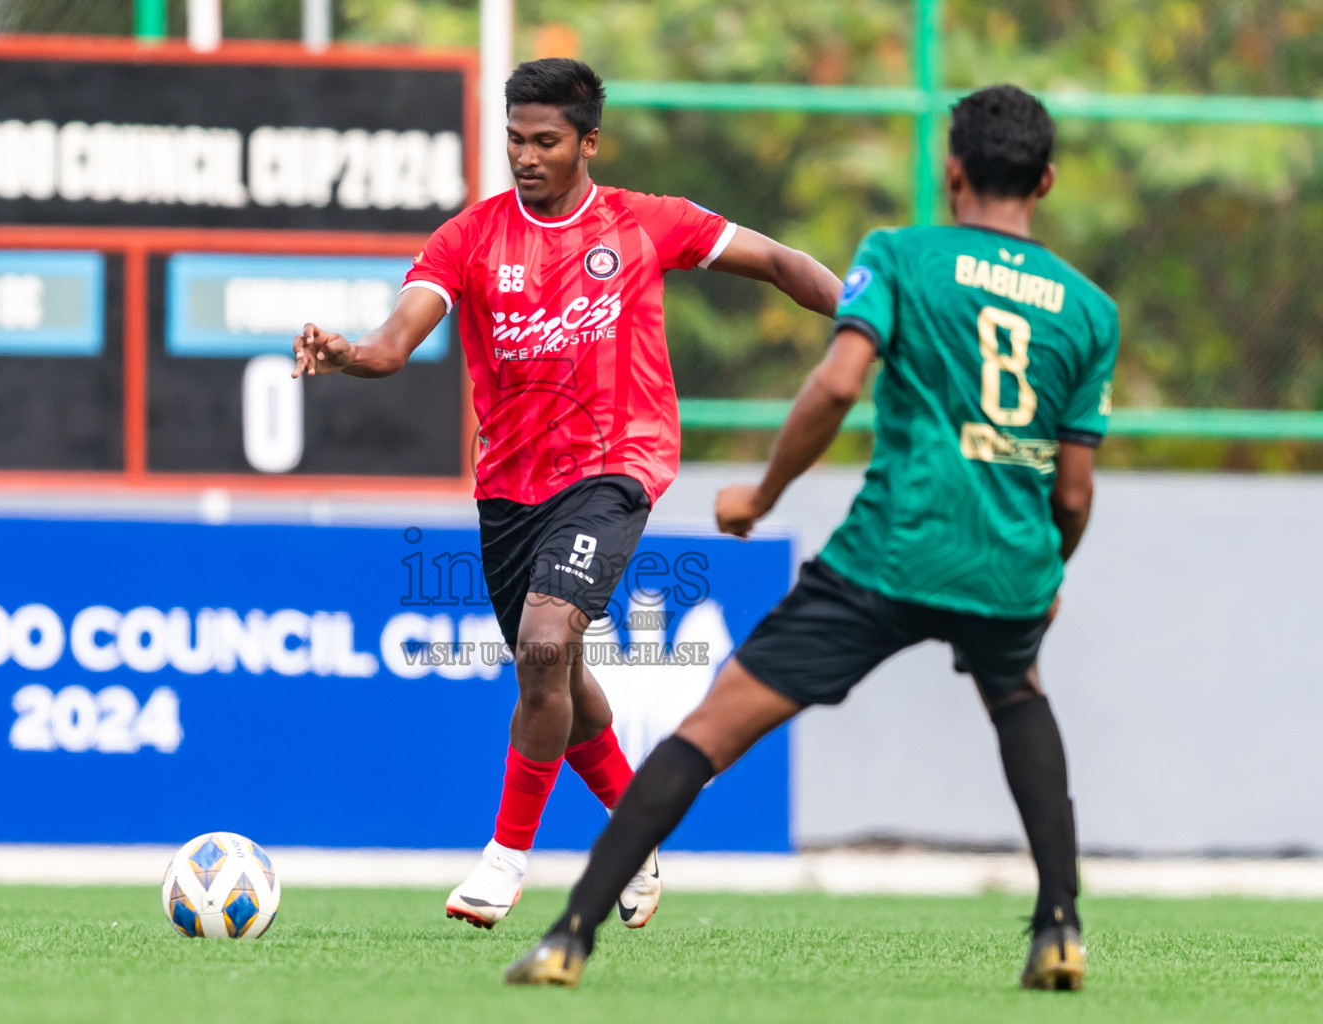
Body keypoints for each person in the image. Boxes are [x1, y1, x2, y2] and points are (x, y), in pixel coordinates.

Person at [505, 83, 1119, 991]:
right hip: (1006, 559)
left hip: (888, 552)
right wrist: (1047, 568)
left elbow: (835, 388)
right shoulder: (1088, 310)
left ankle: (570, 936)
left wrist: (761, 491)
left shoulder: (902, 258)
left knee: (714, 724)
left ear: (952, 171)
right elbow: (1073, 491)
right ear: (1048, 181)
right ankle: (1059, 924)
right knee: (1021, 700)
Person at [292, 57, 843, 930]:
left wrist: (858, 310)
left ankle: (504, 862)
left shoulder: (644, 223)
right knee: (560, 678)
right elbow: (396, 342)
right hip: (509, 487)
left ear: (589, 141)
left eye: (545, 141)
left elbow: (776, 261)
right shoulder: (469, 239)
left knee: (545, 646)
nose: (526, 156)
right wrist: (348, 353)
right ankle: (636, 839)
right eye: (514, 139)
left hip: (615, 466)